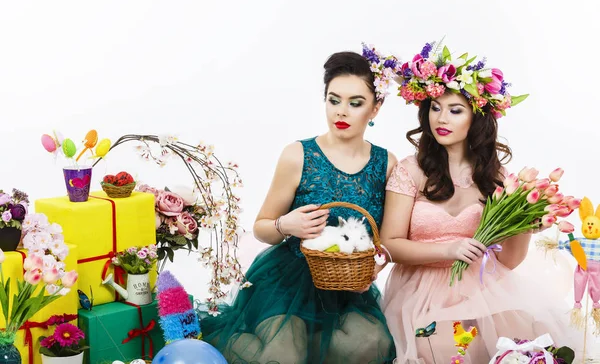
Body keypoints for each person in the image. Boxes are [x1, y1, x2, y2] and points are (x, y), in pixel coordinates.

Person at [378, 41, 580, 363]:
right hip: (420, 293)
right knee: (451, 351)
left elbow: (509, 262)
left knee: (526, 345)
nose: (441, 118)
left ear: (477, 117)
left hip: (482, 287)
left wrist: (526, 222)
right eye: (435, 107)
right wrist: (449, 249)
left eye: (455, 110)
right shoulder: (410, 171)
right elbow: (388, 245)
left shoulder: (496, 176)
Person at [200, 44, 399, 364]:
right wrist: (285, 224)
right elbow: (262, 226)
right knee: (284, 357)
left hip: (347, 289)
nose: (341, 112)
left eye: (355, 103)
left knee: (369, 345)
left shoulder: (386, 163)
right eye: (334, 100)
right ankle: (233, 340)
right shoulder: (298, 155)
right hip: (287, 281)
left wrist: (378, 263)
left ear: (375, 108)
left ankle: (309, 347)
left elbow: (386, 239)